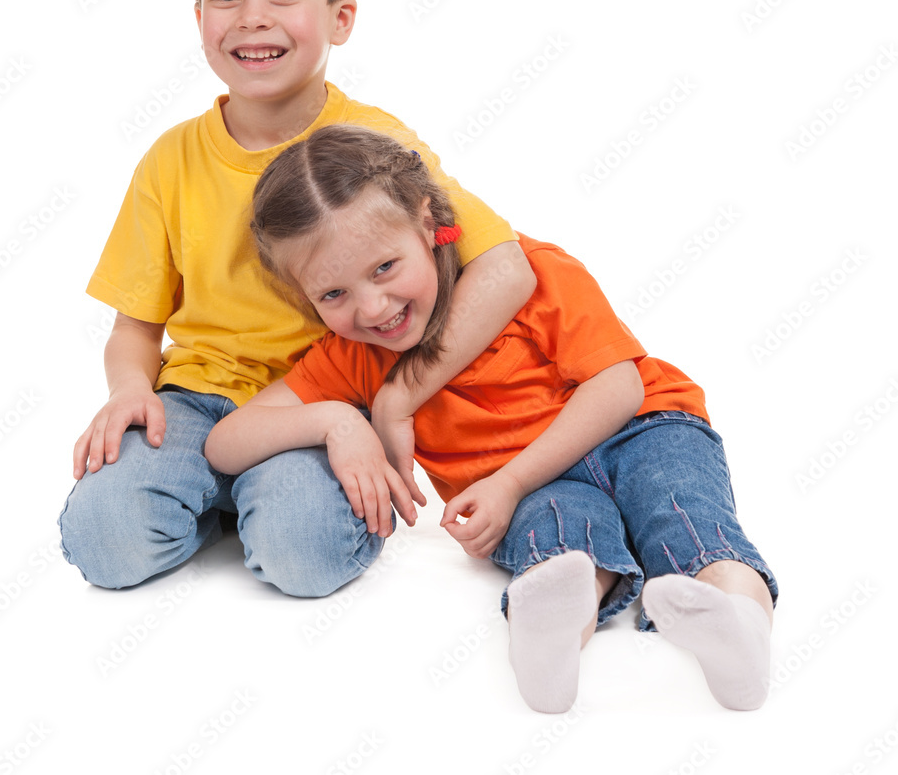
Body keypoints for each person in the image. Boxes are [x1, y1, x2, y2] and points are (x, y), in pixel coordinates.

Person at [57, 0, 536, 597]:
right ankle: (215, 490)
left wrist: (388, 404)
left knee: (302, 556)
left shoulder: (378, 146)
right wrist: (130, 389)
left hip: (321, 400)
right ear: (197, 18)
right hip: (196, 398)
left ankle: (260, 498)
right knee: (105, 541)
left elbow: (505, 269)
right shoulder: (170, 160)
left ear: (340, 18)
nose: (253, 18)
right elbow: (135, 326)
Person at [204, 124, 778, 713]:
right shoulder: (353, 357)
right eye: (333, 295)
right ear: (304, 297)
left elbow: (619, 388)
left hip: (645, 431)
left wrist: (508, 482)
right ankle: (549, 635)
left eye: (384, 268)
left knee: (684, 517)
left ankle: (737, 625)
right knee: (558, 543)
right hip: (537, 488)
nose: (373, 308)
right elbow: (226, 442)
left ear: (429, 224)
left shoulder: (529, 271)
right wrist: (336, 422)